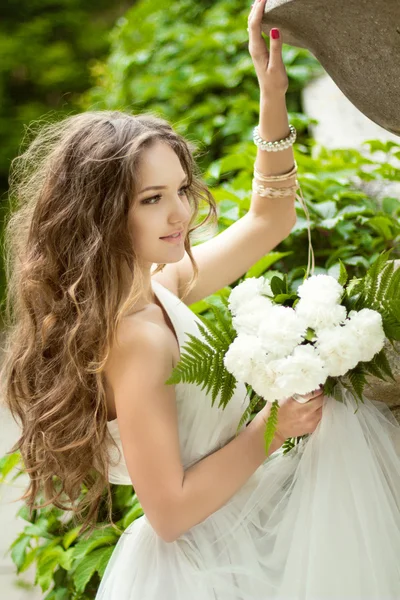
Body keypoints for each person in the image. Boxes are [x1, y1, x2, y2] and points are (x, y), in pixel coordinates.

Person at [3, 0, 400, 598]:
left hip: (246, 531)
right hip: (206, 568)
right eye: (151, 199)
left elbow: (271, 218)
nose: (180, 213)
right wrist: (273, 427)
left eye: (182, 190)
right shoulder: (136, 339)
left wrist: (272, 95)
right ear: (101, 215)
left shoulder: (160, 286)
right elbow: (169, 512)